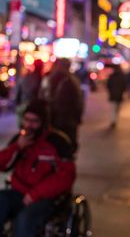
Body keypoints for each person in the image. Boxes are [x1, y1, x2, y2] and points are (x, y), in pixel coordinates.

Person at [0, 99, 76, 237]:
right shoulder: (20, 140)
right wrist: (16, 147)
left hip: (45, 198)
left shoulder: (58, 142)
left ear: (43, 123)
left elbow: (65, 177)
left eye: (34, 121)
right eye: (26, 120)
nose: (29, 125)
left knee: (24, 220)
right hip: (18, 192)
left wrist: (35, 194)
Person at [39, 58, 83, 153]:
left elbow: (41, 98)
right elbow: (78, 103)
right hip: (67, 121)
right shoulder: (72, 81)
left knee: (52, 149)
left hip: (51, 120)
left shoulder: (48, 79)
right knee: (66, 149)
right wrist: (77, 118)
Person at [107, 64, 126, 128]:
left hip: (113, 95)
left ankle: (113, 120)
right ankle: (114, 120)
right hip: (119, 95)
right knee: (117, 108)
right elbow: (124, 86)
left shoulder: (112, 76)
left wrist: (110, 91)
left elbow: (108, 85)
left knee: (113, 108)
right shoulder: (122, 76)